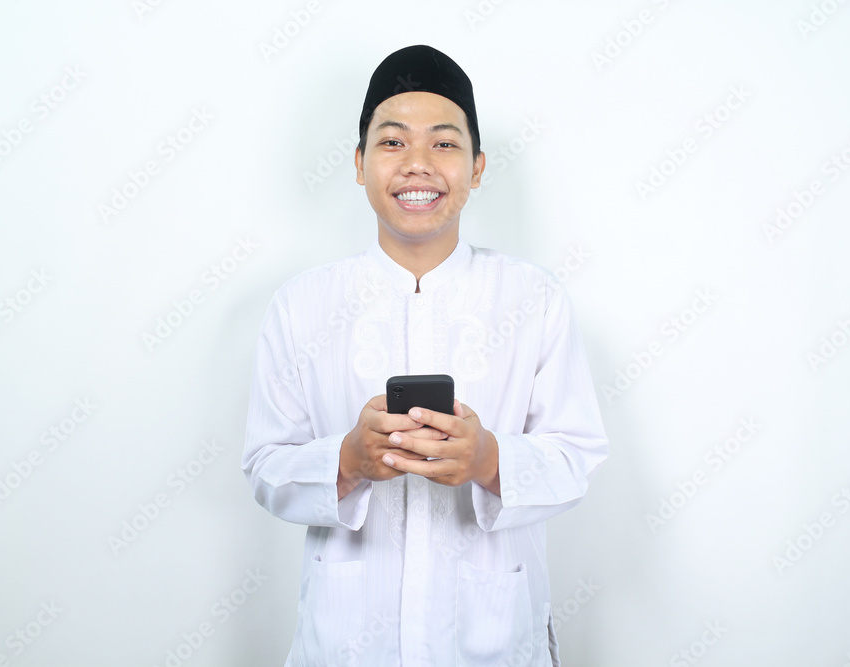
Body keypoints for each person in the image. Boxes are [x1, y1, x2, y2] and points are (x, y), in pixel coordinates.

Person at [243, 44, 608, 667]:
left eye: (443, 143)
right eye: (392, 142)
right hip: (347, 641)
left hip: (492, 638)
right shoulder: (302, 305)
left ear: (477, 166)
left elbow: (578, 456)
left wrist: (489, 459)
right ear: (359, 163)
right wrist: (347, 461)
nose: (418, 164)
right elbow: (264, 465)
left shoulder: (533, 298)